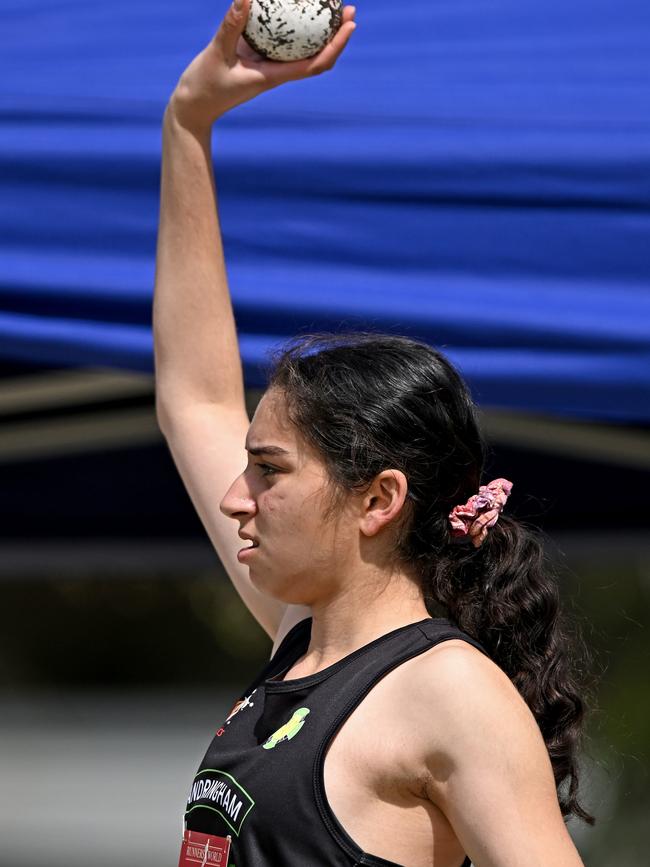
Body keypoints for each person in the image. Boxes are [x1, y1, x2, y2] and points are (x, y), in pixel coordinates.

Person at [152, 2, 594, 864]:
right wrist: (189, 121)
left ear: (378, 497)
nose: (237, 498)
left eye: (269, 470)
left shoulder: (449, 692)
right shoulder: (300, 639)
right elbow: (195, 396)